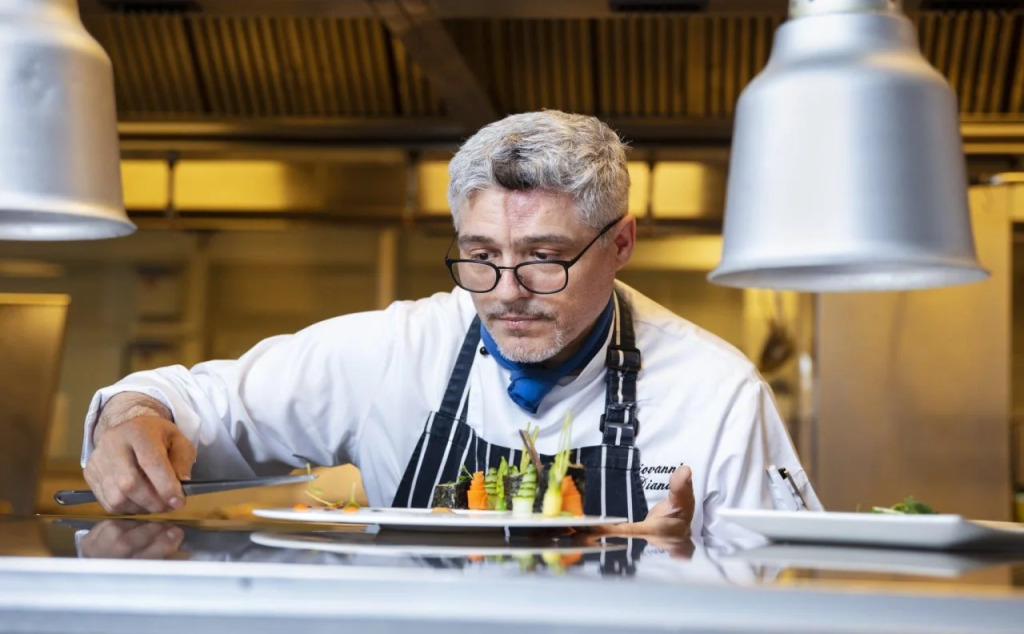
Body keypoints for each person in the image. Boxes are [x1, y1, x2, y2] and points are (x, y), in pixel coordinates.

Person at [81, 110, 820, 539]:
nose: (507, 293)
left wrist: (684, 568)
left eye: (545, 258)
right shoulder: (395, 351)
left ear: (621, 243)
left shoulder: (716, 393)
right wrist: (132, 416)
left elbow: (783, 584)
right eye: (481, 256)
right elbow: (195, 402)